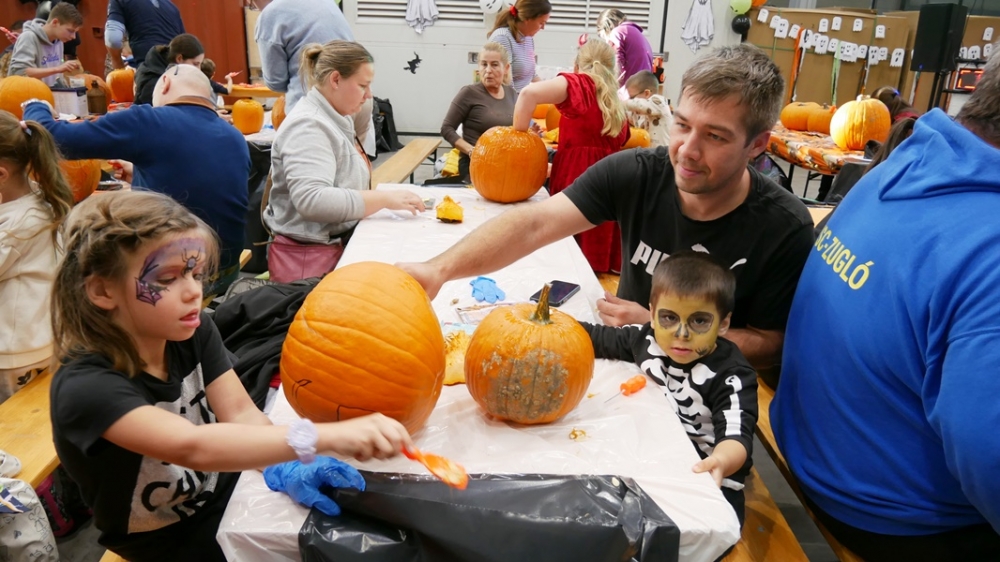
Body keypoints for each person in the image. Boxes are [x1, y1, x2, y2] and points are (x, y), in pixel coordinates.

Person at [398, 44, 814, 374]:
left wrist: (662, 329)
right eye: (683, 125)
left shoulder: (783, 226)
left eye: (716, 137)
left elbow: (771, 343)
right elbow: (535, 224)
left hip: (710, 396)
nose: (686, 151)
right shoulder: (638, 173)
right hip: (625, 361)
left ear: (758, 145)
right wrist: (440, 270)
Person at [48, 190, 414, 562]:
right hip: (164, 540)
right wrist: (319, 436)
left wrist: (284, 461)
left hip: (225, 489)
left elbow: (240, 412)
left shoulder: (191, 332)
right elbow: (192, 446)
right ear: (101, 290)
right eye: (169, 278)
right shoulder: (86, 388)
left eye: (195, 273)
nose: (194, 291)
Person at [771, 44, 1000, 562]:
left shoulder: (912, 158)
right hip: (890, 514)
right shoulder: (990, 241)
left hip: (812, 446)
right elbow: (990, 458)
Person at [23, 64, 250, 295]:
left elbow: (54, 138)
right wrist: (141, 175)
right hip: (225, 271)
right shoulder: (234, 136)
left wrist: (35, 106)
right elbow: (204, 188)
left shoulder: (149, 120)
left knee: (77, 255)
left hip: (172, 276)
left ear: (165, 84)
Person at [582, 252, 756, 525]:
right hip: (655, 457)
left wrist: (722, 459)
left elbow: (737, 434)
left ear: (723, 324)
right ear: (652, 315)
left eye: (699, 321)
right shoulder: (647, 339)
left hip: (708, 478)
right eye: (669, 318)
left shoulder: (732, 375)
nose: (681, 334)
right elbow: (597, 338)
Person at [264, 40, 425, 283]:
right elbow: (312, 200)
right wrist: (383, 199)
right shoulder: (308, 127)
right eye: (363, 86)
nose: (369, 95)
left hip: (329, 245)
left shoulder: (336, 116)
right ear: (336, 80)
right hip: (308, 263)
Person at [513, 38, 628, 273]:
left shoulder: (579, 85)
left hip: (577, 181)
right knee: (594, 270)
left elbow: (527, 94)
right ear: (612, 68)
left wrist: (517, 137)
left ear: (577, 65)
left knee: (565, 263)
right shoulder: (616, 102)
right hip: (610, 186)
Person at [0, 112, 74, 404]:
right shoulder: (37, 198)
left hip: (16, 351)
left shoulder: (18, 224)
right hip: (39, 338)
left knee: (11, 426)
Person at [440, 41, 517, 183]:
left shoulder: (512, 94)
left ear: (506, 68)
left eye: (494, 64)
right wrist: (471, 151)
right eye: (483, 64)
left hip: (505, 164)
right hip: (475, 166)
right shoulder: (469, 93)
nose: (488, 70)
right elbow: (446, 129)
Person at [7, 2, 82, 87]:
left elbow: (57, 69)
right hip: (28, 96)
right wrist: (58, 69)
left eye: (75, 32)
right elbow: (20, 72)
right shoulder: (29, 37)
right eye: (70, 31)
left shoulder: (59, 41)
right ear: (55, 22)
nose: (73, 37)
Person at [487, 0, 551, 93]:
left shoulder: (528, 38)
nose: (543, 28)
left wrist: (549, 91)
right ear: (527, 19)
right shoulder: (502, 38)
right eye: (541, 23)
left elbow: (531, 75)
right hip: (507, 102)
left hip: (522, 100)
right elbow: (505, 83)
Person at [105, 0, 185, 70]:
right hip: (176, 72)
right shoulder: (171, 6)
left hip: (149, 73)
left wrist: (118, 64)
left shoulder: (120, 1)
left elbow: (113, 40)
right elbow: (185, 44)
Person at [134, 33, 205, 106]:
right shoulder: (153, 82)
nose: (198, 70)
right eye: (195, 64)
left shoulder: (160, 69)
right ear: (179, 59)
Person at [595, 8, 653, 90]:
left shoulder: (617, 32)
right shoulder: (636, 32)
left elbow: (616, 63)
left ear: (606, 28)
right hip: (645, 85)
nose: (607, 41)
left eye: (604, 37)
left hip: (631, 89)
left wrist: (609, 85)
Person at [624, 70, 671, 148]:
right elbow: (624, 114)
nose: (630, 100)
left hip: (662, 155)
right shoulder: (636, 113)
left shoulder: (658, 102)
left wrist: (619, 104)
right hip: (648, 156)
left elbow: (638, 105)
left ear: (647, 93)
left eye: (632, 97)